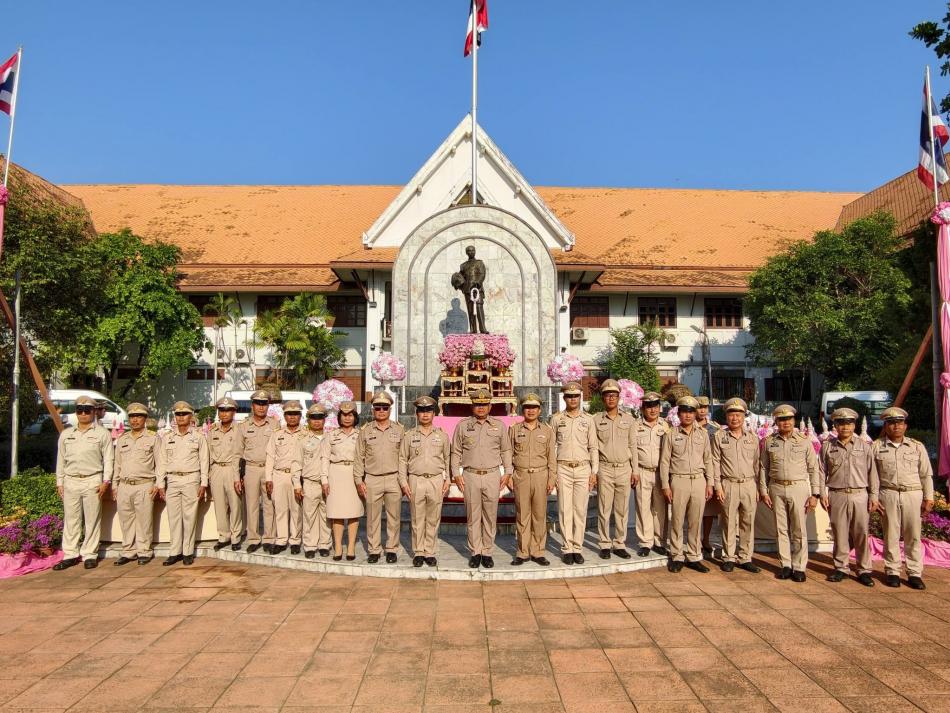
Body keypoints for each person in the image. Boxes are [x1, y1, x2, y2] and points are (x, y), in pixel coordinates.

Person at [872, 407, 934, 590]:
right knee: (890, 533)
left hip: (912, 493)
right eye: (891, 423)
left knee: (913, 534)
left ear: (905, 426)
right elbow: (873, 476)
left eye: (899, 423)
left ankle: (914, 572)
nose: (896, 427)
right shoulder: (877, 447)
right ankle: (892, 571)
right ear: (885, 426)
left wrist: (929, 497)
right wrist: (874, 498)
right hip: (888, 493)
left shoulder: (916, 446)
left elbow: (926, 474)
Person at [451, 388, 512, 569]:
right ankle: (475, 551)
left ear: (490, 406)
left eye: (484, 404)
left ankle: (487, 552)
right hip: (470, 475)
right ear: (472, 406)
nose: (481, 407)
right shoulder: (463, 426)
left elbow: (506, 450)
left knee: (490, 516)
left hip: (492, 475)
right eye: (477, 404)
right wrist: (456, 473)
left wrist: (508, 472)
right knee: (473, 516)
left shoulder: (499, 426)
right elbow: (456, 451)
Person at [759, 404, 820, 582]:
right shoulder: (770, 441)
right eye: (781, 419)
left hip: (798, 488)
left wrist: (815, 494)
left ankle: (799, 567)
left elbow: (813, 468)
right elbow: (763, 467)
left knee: (799, 529)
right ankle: (785, 565)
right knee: (781, 529)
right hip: (776, 488)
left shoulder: (804, 441)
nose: (785, 422)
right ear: (776, 421)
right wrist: (763, 491)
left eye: (789, 419)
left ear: (794, 420)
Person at [52, 395, 114, 571]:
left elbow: (108, 459)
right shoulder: (67, 434)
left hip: (92, 479)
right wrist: (59, 482)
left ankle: (89, 554)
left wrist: (106, 481)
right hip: (71, 480)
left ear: (94, 412)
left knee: (92, 519)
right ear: (76, 412)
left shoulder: (102, 434)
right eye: (80, 410)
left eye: (87, 410)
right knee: (71, 519)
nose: (84, 414)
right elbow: (61, 460)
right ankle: (70, 554)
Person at [819, 407, 878, 587]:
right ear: (835, 426)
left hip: (860, 494)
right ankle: (841, 568)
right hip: (837, 494)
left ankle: (864, 569)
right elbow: (821, 472)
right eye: (841, 423)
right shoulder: (828, 446)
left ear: (854, 425)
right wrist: (822, 493)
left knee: (861, 533)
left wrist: (874, 496)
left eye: (849, 423)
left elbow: (872, 473)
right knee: (840, 533)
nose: (845, 427)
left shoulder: (864, 446)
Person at [660, 396, 713, 573]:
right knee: (677, 520)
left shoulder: (703, 434)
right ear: (679, 414)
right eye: (684, 411)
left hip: (698, 480)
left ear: (695, 413)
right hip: (679, 480)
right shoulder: (671, 434)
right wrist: (665, 485)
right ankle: (676, 556)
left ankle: (694, 556)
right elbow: (665, 461)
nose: (688, 415)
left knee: (695, 521)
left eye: (691, 412)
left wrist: (710, 483)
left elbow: (708, 460)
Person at [549, 381, 598, 565]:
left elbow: (593, 447)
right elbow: (551, 447)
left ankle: (577, 547)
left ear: (580, 397)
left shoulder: (588, 419)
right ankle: (567, 548)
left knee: (580, 510)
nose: (573, 399)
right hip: (563, 468)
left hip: (583, 468)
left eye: (576, 396)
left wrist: (594, 472)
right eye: (569, 396)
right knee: (564, 509)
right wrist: (553, 473)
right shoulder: (556, 419)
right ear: (564, 398)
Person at [398, 395, 450, 567]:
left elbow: (448, 459)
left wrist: (448, 479)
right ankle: (419, 551)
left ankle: (430, 551)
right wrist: (403, 482)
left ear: (434, 413)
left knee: (433, 518)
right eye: (422, 411)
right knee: (417, 518)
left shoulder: (442, 436)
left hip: (435, 480)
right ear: (417, 414)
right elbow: (402, 459)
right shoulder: (409, 435)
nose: (425, 414)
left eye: (428, 410)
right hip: (416, 480)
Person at [710, 397, 760, 573]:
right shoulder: (719, 437)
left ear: (744, 417)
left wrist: (758, 487)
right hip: (728, 484)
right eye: (731, 414)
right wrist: (718, 486)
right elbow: (715, 462)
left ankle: (745, 557)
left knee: (748, 522)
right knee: (728, 522)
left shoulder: (752, 438)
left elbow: (757, 464)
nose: (735, 418)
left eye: (738, 415)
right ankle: (729, 557)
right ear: (726, 416)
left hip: (748, 484)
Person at [156, 401, 209, 566]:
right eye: (178, 414)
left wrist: (204, 483)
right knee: (173, 518)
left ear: (190, 416)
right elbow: (161, 462)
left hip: (191, 479)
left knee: (189, 517)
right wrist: (160, 484)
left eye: (184, 414)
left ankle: (187, 552)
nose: (180, 417)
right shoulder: (167, 438)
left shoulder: (198, 437)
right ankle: (175, 552)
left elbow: (204, 461)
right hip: (172, 480)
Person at [355, 392, 405, 564]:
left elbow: (404, 457)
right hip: (372, 479)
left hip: (393, 478)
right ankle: (374, 549)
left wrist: (403, 481)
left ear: (390, 409)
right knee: (372, 518)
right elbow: (359, 457)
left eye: (385, 407)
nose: (381, 411)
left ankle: (391, 548)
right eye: (378, 408)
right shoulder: (365, 431)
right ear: (373, 410)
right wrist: (358, 480)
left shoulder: (399, 430)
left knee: (394, 517)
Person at [507, 393, 556, 566]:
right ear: (522, 409)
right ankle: (522, 552)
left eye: (534, 407)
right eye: (527, 407)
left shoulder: (547, 431)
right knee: (522, 515)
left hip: (541, 476)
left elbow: (551, 457)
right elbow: (508, 454)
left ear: (539, 410)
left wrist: (552, 478)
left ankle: (538, 551)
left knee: (539, 515)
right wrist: (509, 475)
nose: (531, 410)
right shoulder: (514, 430)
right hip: (521, 476)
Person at [592, 379, 639, 559]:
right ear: (603, 398)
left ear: (619, 398)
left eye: (614, 395)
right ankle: (605, 543)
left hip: (624, 469)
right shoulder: (596, 420)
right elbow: (593, 447)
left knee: (621, 509)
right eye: (607, 395)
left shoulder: (629, 420)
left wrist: (635, 470)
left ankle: (619, 543)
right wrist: (594, 471)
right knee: (604, 509)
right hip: (605, 468)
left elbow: (633, 446)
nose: (611, 398)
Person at [112, 402, 160, 566]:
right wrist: (115, 485)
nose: (135, 420)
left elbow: (160, 463)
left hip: (144, 484)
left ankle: (144, 551)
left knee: (144, 520)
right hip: (124, 485)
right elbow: (117, 464)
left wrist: (158, 484)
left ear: (145, 419)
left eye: (139, 416)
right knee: (126, 520)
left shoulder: (153, 438)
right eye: (132, 416)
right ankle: (128, 551)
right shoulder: (122, 439)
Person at [238, 389, 280, 554]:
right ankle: (254, 538)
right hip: (251, 469)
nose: (261, 407)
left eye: (264, 404)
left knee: (269, 504)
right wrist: (238, 476)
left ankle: (269, 538)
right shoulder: (243, 426)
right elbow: (238, 453)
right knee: (252, 505)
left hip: (269, 469)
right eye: (258, 403)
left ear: (268, 406)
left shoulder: (275, 425)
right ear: (252, 405)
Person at [321, 401, 363, 561]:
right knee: (336, 513)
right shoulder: (331, 435)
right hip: (336, 473)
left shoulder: (360, 435)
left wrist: (363, 479)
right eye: (344, 415)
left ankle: (351, 546)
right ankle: (338, 546)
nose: (347, 418)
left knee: (353, 512)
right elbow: (325, 458)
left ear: (355, 417)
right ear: (339, 417)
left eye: (350, 415)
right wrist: (324, 480)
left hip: (354, 474)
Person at [265, 400, 305, 555]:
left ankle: (295, 540)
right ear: (284, 416)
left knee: (296, 509)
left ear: (300, 415)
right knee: (280, 509)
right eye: (289, 414)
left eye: (295, 414)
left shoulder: (305, 434)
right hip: (279, 475)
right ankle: (281, 540)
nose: (292, 417)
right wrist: (268, 478)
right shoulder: (277, 434)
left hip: (298, 477)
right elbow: (270, 457)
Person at [634, 391, 669, 557]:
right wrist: (634, 471)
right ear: (643, 409)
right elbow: (632, 451)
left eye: (655, 406)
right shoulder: (636, 426)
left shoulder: (666, 426)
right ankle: (645, 542)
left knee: (660, 509)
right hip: (642, 471)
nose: (652, 410)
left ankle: (659, 541)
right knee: (643, 508)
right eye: (648, 407)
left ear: (659, 407)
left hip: (661, 473)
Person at [207, 397, 243, 552]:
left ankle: (236, 537)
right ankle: (224, 536)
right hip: (216, 469)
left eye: (228, 410)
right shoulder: (212, 431)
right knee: (220, 506)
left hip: (232, 469)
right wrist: (208, 476)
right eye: (222, 410)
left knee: (235, 504)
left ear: (234, 412)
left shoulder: (239, 430)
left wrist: (239, 476)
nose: (224, 413)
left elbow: (241, 454)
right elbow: (208, 454)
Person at [301, 403, 331, 558]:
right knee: (309, 515)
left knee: (326, 516)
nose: (317, 421)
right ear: (309, 420)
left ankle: (324, 544)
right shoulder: (303, 440)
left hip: (327, 484)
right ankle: (310, 545)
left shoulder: (331, 438)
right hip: (310, 482)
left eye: (320, 417)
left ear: (324, 419)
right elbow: (296, 463)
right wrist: (296, 484)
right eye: (314, 418)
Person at [696, 396, 721, 557]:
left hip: (710, 472)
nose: (702, 410)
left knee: (709, 510)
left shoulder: (715, 428)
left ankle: (705, 539)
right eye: (699, 407)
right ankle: (695, 540)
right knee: (694, 510)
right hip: (694, 472)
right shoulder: (688, 426)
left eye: (705, 407)